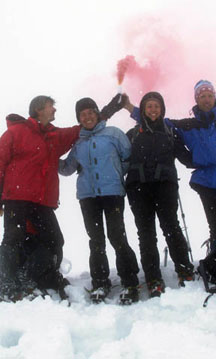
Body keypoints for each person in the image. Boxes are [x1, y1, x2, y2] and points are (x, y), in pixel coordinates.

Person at [123, 80, 216, 256]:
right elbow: (155, 120)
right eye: (202, 96)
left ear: (215, 97)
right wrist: (130, 107)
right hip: (208, 182)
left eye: (209, 96)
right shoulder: (189, 125)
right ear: (197, 99)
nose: (206, 100)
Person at [0, 95, 81, 302]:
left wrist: (108, 111)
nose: (54, 110)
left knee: (54, 240)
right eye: (51, 107)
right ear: (39, 109)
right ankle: (8, 287)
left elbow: (78, 130)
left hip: (42, 201)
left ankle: (35, 277)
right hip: (16, 197)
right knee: (13, 239)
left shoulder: (54, 136)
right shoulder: (17, 131)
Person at [59, 97, 140, 305]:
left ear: (97, 113)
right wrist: (48, 157)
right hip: (88, 196)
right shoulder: (79, 142)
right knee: (96, 241)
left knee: (117, 237)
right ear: (79, 118)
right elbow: (67, 168)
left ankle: (130, 282)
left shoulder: (113, 134)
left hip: (112, 193)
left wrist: (116, 174)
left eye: (90, 112)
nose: (87, 117)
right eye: (82, 114)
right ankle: (100, 282)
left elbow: (128, 157)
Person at [123, 91, 195, 297]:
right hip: (138, 189)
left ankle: (184, 270)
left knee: (171, 227)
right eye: (149, 106)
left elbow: (187, 159)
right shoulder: (133, 133)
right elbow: (118, 156)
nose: (153, 110)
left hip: (165, 187)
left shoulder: (170, 131)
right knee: (146, 234)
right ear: (143, 110)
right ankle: (153, 278)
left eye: (156, 106)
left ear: (162, 109)